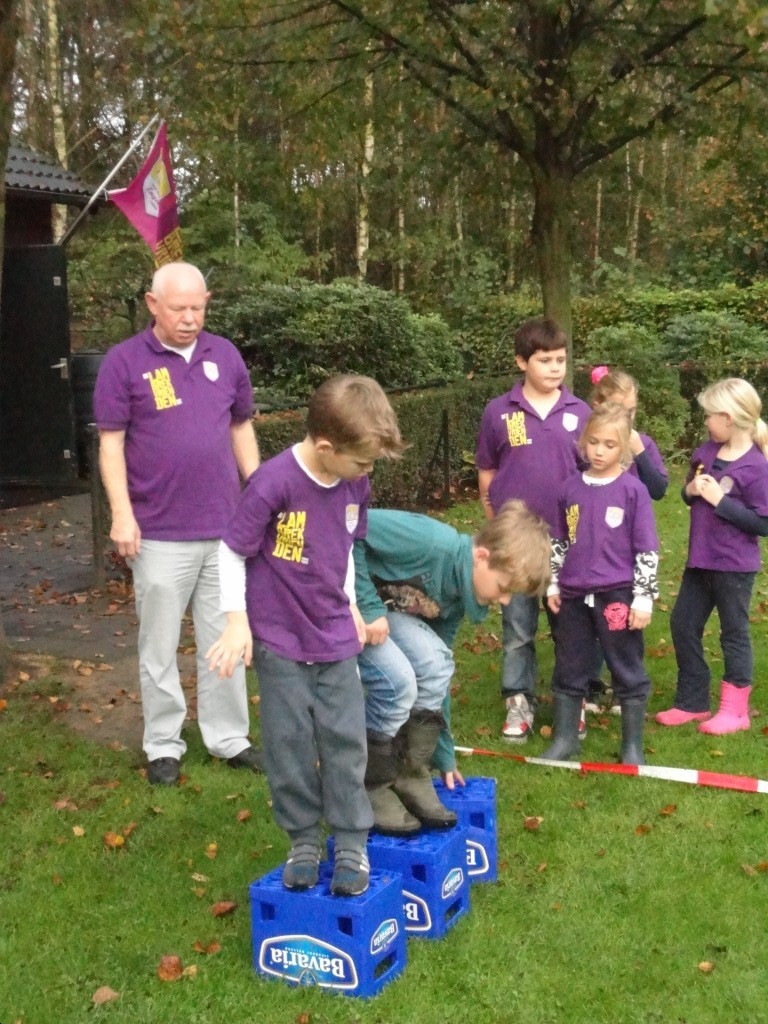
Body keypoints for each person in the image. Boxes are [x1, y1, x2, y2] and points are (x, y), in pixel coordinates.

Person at [206, 375, 405, 897]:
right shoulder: (271, 483)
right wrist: (236, 620)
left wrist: (351, 603)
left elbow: (344, 546)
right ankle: (302, 839)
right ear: (326, 448)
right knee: (289, 743)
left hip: (335, 637)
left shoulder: (354, 483)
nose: (368, 471)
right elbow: (231, 551)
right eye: (363, 461)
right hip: (280, 640)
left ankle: (351, 841)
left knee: (345, 741)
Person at [93, 261, 262, 787]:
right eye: (178, 308)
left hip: (225, 530)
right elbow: (111, 445)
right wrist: (122, 513)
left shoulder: (225, 355)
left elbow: (241, 427)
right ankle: (163, 743)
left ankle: (228, 737)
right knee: (159, 645)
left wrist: (260, 492)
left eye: (198, 307)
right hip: (158, 531)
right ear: (152, 304)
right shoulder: (124, 362)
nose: (190, 318)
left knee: (226, 636)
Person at [354, 500, 552, 836]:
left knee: (435, 662)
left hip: (383, 618)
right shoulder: (429, 542)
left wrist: (443, 755)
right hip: (341, 602)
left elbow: (438, 673)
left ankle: (410, 773)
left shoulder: (457, 594)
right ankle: (370, 785)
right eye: (504, 588)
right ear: (482, 556)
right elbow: (351, 531)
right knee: (399, 681)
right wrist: (367, 605)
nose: (505, 601)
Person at [475, 317, 590, 744]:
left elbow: (594, 475)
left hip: (567, 541)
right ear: (522, 362)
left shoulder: (580, 413)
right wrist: (496, 527)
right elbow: (487, 471)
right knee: (518, 628)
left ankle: (572, 701)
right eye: (545, 360)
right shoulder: (498, 412)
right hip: (517, 544)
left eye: (561, 359)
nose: (555, 367)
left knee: (570, 628)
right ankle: (518, 700)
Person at [541, 404, 659, 765]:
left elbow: (647, 548)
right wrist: (552, 584)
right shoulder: (569, 489)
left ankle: (632, 748)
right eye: (593, 442)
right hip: (573, 594)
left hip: (617, 594)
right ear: (583, 442)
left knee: (625, 663)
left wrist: (643, 598)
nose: (599, 451)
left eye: (610, 444)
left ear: (623, 448)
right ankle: (565, 740)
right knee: (570, 662)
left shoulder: (633, 491)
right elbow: (559, 541)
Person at [656, 378, 768, 735]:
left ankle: (736, 711)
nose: (705, 421)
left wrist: (722, 502)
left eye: (709, 415)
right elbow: (687, 493)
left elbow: (762, 523)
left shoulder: (756, 467)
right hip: (699, 560)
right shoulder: (706, 452)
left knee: (733, 633)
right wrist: (690, 490)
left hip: (734, 566)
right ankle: (692, 701)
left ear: (728, 418)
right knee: (683, 624)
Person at [586, 366, 668, 715]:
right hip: (594, 542)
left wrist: (639, 452)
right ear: (599, 405)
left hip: (630, 545)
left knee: (623, 618)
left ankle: (625, 688)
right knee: (590, 617)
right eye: (621, 409)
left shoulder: (641, 443)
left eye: (632, 410)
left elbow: (659, 489)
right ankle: (589, 685)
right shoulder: (591, 443)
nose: (628, 417)